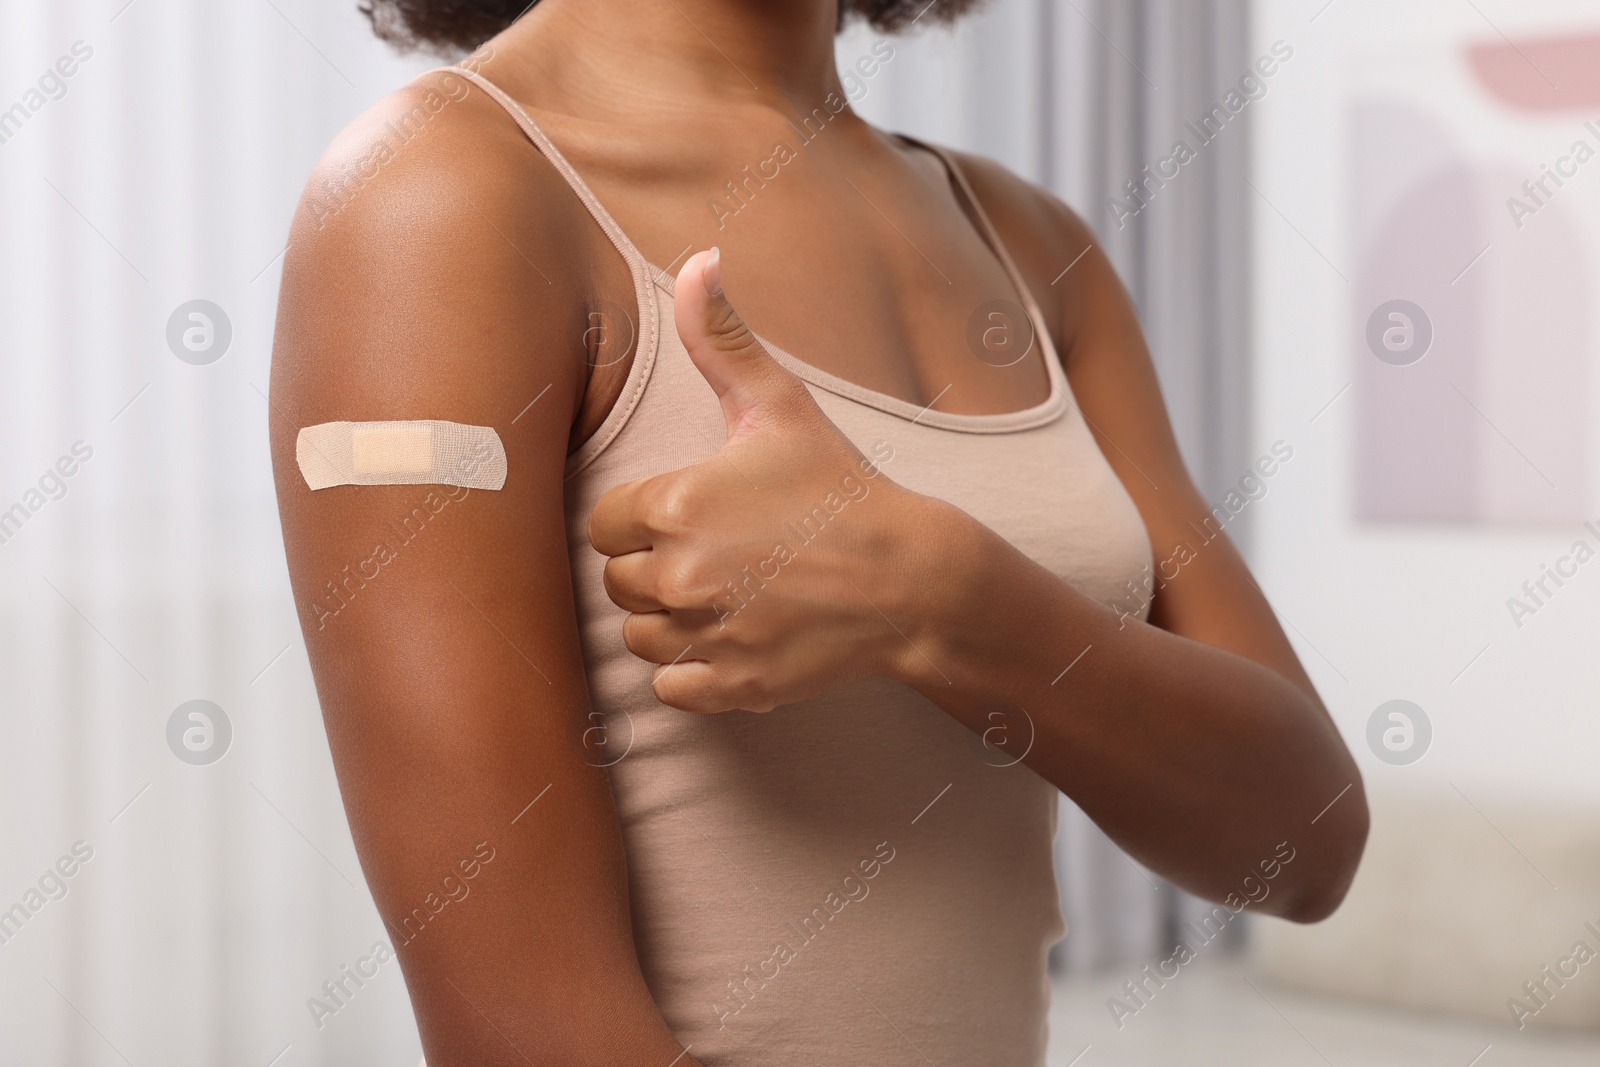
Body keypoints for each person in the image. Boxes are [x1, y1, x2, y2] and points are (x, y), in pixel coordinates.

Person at [268, 1, 1369, 1063]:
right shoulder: (433, 195)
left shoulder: (1027, 243)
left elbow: (1304, 845)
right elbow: (525, 1035)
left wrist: (946, 602)